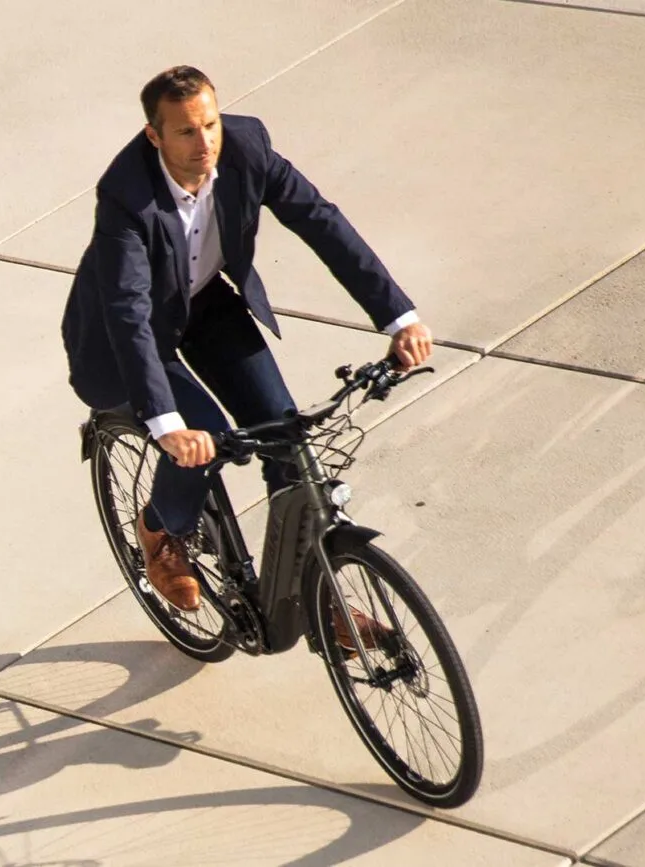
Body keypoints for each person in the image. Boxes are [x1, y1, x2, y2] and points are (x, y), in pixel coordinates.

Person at [61, 66, 432, 637]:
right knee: (200, 436)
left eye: (209, 124)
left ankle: (320, 594)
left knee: (284, 433)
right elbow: (129, 311)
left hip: (205, 303)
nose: (204, 142)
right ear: (153, 136)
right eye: (185, 131)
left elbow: (320, 220)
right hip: (126, 336)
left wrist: (397, 317)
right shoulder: (126, 198)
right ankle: (161, 532)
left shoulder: (248, 147)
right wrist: (168, 426)